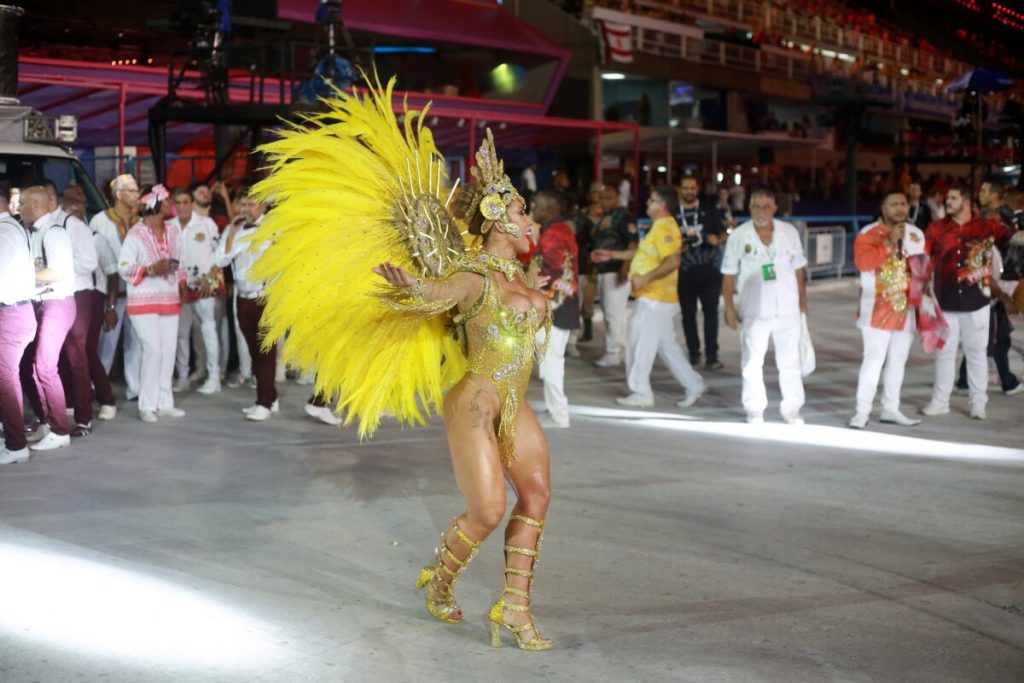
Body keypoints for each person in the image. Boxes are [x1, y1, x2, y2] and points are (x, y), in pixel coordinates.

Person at [249, 82, 554, 651]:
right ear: (497, 217)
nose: (529, 219)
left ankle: (513, 609)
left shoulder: (525, 279)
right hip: (476, 400)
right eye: (519, 210)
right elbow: (437, 291)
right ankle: (439, 582)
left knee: (536, 498)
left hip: (516, 401)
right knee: (487, 511)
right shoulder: (474, 276)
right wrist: (411, 285)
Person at [596, 186, 705, 409]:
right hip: (656, 298)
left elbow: (672, 261)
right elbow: (642, 255)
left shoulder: (665, 227)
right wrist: (612, 254)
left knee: (638, 344)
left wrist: (646, 278)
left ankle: (641, 392)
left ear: (662, 205)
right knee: (667, 346)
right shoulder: (658, 227)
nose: (647, 204)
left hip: (655, 298)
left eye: (652, 200)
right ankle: (694, 384)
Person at [922, 183, 1014, 420]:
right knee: (944, 355)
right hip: (945, 302)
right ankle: (940, 401)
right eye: (947, 198)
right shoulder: (936, 229)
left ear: (964, 200)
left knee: (977, 354)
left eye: (952, 198)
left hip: (978, 302)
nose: (947, 202)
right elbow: (923, 259)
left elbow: (1014, 240)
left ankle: (978, 403)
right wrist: (922, 291)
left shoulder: (986, 227)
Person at [721, 189, 808, 424]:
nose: (762, 211)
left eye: (767, 206)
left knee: (790, 361)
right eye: (757, 207)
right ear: (749, 208)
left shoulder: (789, 232)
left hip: (787, 306)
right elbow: (728, 274)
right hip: (754, 307)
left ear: (775, 208)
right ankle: (754, 408)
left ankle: (792, 408)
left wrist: (802, 301)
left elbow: (799, 268)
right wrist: (729, 307)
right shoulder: (739, 235)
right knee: (752, 361)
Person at [850, 191, 926, 429]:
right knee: (873, 360)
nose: (900, 209)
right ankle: (861, 412)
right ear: (883, 207)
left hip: (906, 310)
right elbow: (864, 263)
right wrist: (890, 241)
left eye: (903, 204)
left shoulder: (916, 234)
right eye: (894, 204)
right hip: (876, 309)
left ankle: (891, 409)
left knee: (897, 361)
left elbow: (922, 270)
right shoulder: (867, 234)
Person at [118, 184, 187, 423]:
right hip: (143, 301)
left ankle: (165, 402)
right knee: (153, 350)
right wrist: (150, 269)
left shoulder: (174, 231)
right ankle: (147, 405)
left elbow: (181, 262)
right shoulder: (136, 233)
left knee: (168, 351)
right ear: (155, 203)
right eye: (168, 200)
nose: (172, 204)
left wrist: (182, 284)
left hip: (169, 297)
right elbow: (124, 267)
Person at [19, 186, 76, 452]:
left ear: (37, 206)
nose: (18, 208)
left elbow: (57, 272)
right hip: (42, 304)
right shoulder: (35, 231)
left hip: (57, 302)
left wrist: (17, 278)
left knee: (45, 366)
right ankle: (47, 421)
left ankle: (59, 429)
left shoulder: (54, 233)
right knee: (34, 366)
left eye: (22, 204)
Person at [216, 190, 276, 420]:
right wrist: (231, 233)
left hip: (265, 296)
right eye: (244, 204)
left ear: (263, 207)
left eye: (251, 204)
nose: (246, 209)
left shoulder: (273, 228)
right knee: (253, 351)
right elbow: (220, 260)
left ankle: (264, 402)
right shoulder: (236, 228)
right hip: (241, 298)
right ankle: (270, 396)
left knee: (265, 351)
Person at [46, 182, 99, 436]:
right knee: (54, 356)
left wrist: (58, 269)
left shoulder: (73, 226)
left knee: (77, 354)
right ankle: (61, 408)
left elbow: (89, 263)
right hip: (54, 294)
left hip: (78, 293)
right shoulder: (43, 227)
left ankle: (84, 416)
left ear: (47, 199)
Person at [90, 174, 142, 401]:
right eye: (131, 191)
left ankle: (135, 387)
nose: (137, 195)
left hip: (137, 292)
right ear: (118, 194)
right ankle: (96, 387)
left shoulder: (140, 222)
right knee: (106, 344)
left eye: (136, 191)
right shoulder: (100, 220)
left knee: (136, 342)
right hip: (111, 293)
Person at [531, 190, 578, 428]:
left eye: (536, 204)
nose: (532, 208)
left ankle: (559, 414)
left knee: (551, 361)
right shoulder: (561, 229)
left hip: (556, 306)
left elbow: (551, 271)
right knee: (551, 359)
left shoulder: (552, 233)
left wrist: (525, 280)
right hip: (564, 304)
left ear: (550, 208)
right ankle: (556, 412)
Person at [172, 187, 223, 394]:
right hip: (180, 286)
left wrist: (210, 278)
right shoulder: (170, 226)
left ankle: (214, 376)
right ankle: (183, 377)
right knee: (181, 333)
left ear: (192, 204)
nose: (182, 206)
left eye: (186, 202)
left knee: (209, 330)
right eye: (179, 203)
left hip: (203, 285)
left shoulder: (206, 224)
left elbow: (219, 254)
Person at [0, 185, 38, 464]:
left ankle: (16, 446)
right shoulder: (12, 229)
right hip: (16, 312)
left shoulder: (4, 233)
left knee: (6, 379)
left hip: (10, 314)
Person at [677, 176, 727, 370]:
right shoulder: (673, 213)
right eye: (685, 188)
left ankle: (712, 356)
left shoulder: (709, 210)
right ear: (680, 190)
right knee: (687, 315)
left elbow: (723, 233)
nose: (689, 191)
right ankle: (693, 354)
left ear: (697, 189)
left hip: (709, 271)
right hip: (684, 272)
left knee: (711, 314)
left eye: (692, 187)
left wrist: (718, 240)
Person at [591, 184, 637, 367]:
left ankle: (614, 351)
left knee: (613, 314)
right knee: (612, 313)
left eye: (609, 197)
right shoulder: (604, 217)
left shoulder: (623, 216)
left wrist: (624, 268)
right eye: (602, 198)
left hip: (616, 270)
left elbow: (632, 243)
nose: (604, 201)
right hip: (604, 270)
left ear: (617, 197)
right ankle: (621, 350)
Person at [575, 182, 603, 343]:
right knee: (585, 297)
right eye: (593, 193)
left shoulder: (609, 214)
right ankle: (587, 330)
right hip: (585, 258)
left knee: (590, 297)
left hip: (602, 259)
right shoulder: (583, 213)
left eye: (598, 193)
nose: (595, 196)